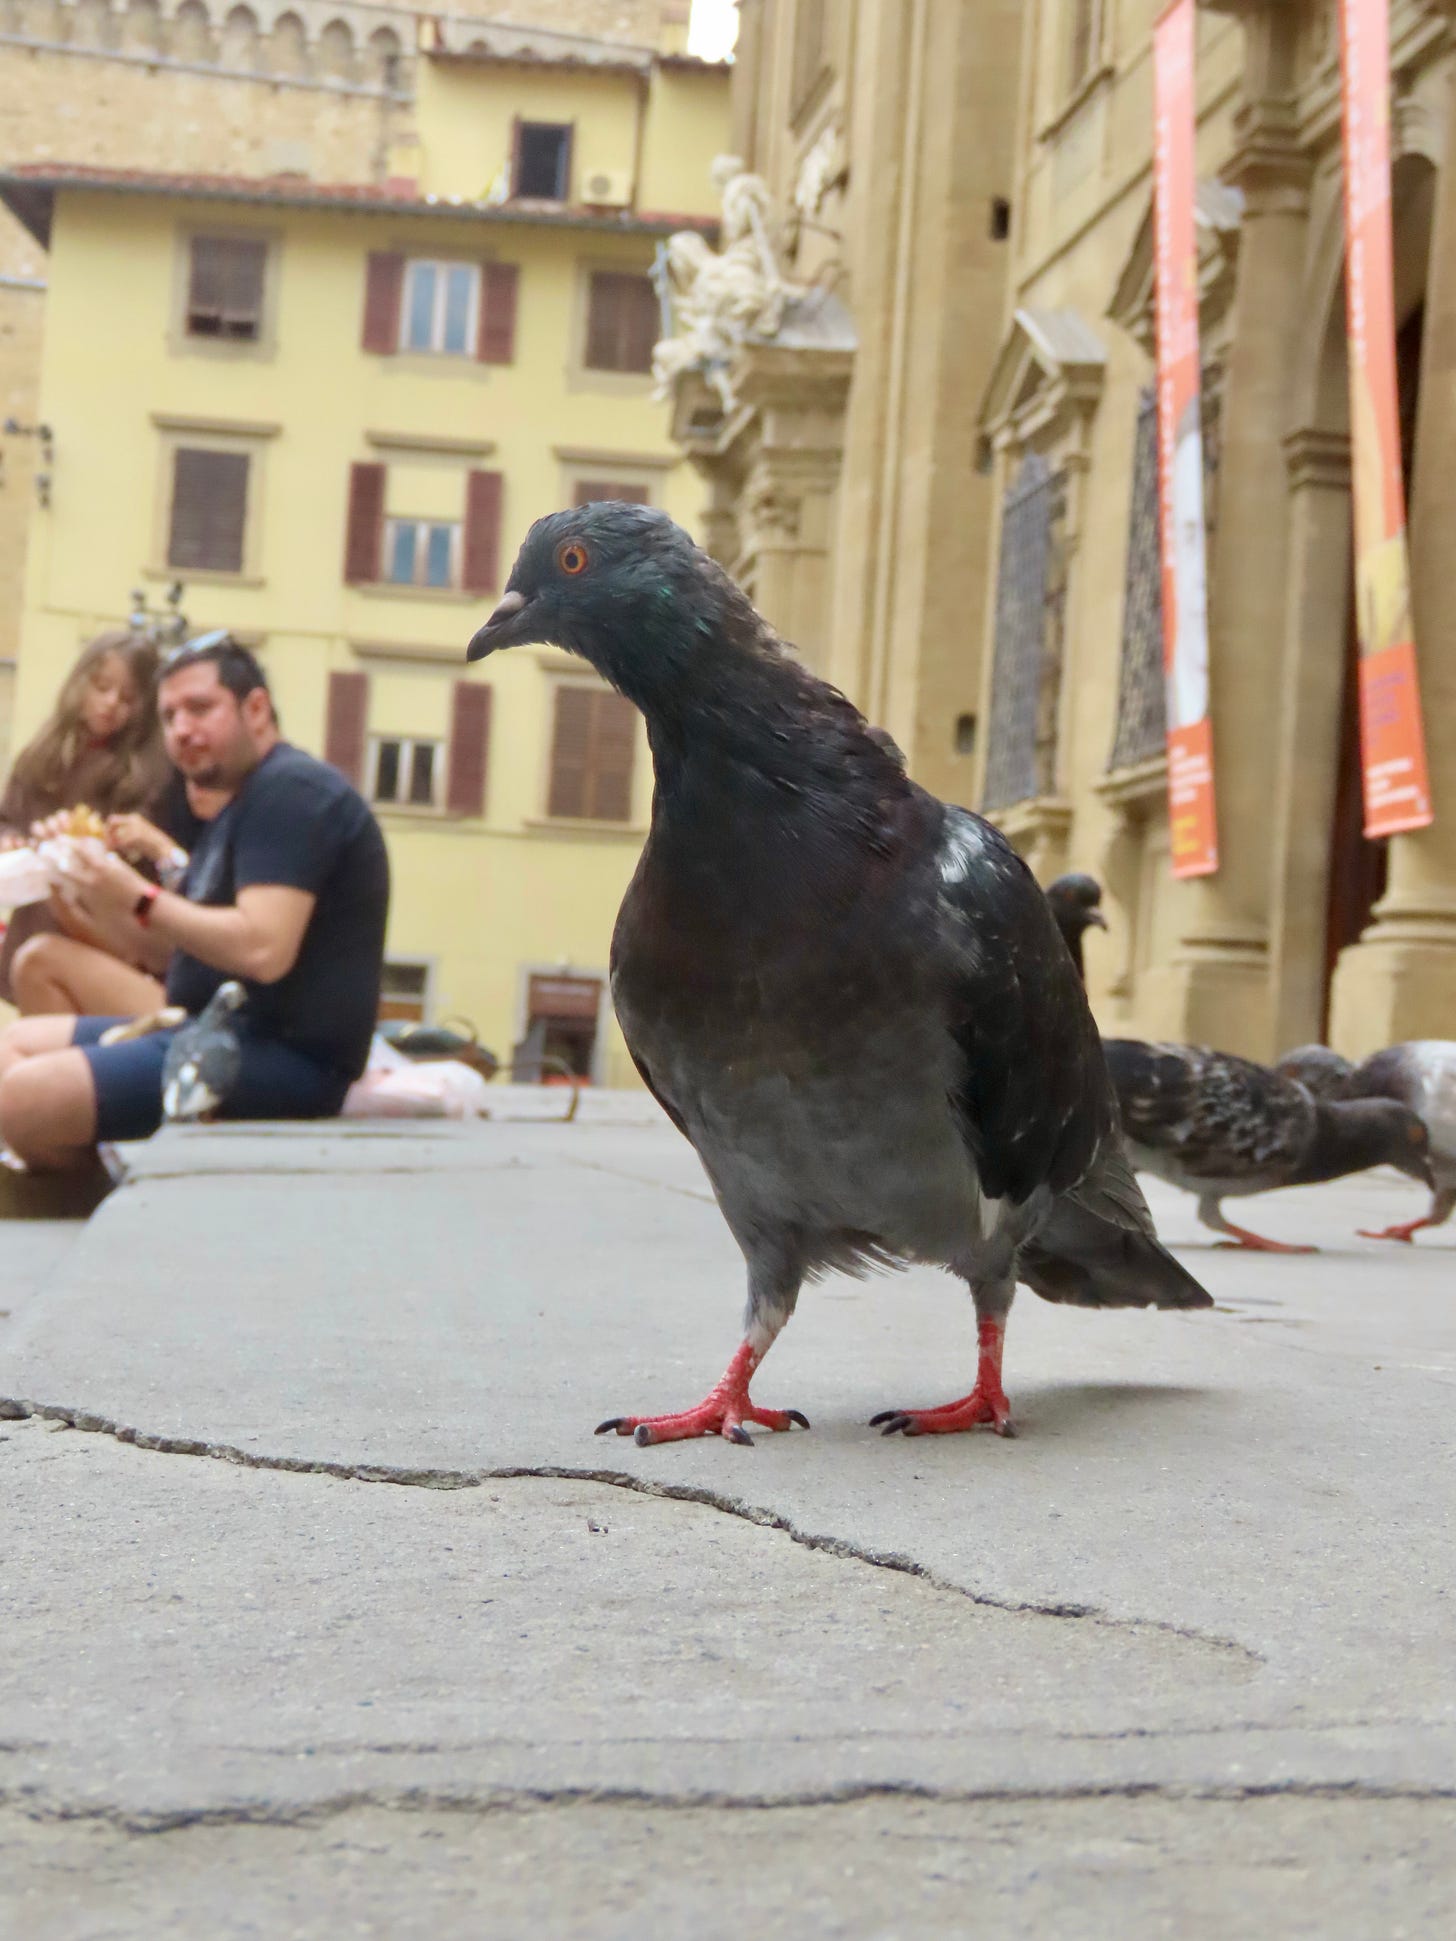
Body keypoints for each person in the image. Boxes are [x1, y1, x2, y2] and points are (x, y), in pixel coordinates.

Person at [0, 637, 391, 1173]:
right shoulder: (239, 804)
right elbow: (170, 954)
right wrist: (89, 886)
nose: (181, 729)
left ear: (256, 709)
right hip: (205, 1030)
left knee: (17, 1098)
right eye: (169, 716)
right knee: (10, 1049)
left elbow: (263, 950)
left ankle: (107, 1189)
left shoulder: (293, 791)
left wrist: (137, 894)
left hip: (279, 1058)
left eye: (200, 708)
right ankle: (99, 1188)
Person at [0, 630, 173, 1004]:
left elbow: (141, 845)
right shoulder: (42, 754)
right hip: (36, 919)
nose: (110, 703)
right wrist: (10, 839)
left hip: (103, 934)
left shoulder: (149, 773)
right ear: (79, 683)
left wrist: (89, 840)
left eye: (127, 699)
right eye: (101, 687)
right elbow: (9, 816)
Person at [9, 785, 224, 1018]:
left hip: (218, 1007)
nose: (195, 790)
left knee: (39, 962)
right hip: (171, 984)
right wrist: (59, 877)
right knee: (38, 960)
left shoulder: (244, 827)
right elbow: (138, 955)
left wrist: (163, 852)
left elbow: (193, 946)